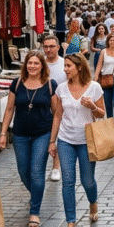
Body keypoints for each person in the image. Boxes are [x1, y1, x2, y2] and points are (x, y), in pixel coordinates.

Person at [0, 51, 59, 227]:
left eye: (36, 63)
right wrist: (3, 133)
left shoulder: (50, 85)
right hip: (20, 134)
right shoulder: (16, 84)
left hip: (42, 133)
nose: (32, 66)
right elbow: (9, 110)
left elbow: (56, 114)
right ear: (25, 65)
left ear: (42, 66)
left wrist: (53, 139)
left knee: (36, 171)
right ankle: (36, 194)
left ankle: (35, 212)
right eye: (29, 63)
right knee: (23, 171)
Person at [50, 53, 104, 227]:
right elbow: (57, 115)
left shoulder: (94, 87)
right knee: (68, 181)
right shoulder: (61, 89)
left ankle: (93, 202)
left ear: (79, 67)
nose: (65, 69)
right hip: (66, 141)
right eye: (64, 66)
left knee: (88, 180)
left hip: (87, 140)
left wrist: (92, 106)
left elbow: (101, 114)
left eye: (68, 66)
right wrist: (52, 141)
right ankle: (71, 221)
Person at [42, 35, 67, 183]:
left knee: (56, 136)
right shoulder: (39, 64)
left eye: (52, 46)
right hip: (42, 105)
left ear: (58, 47)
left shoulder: (64, 64)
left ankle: (56, 167)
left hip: (61, 105)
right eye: (46, 47)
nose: (49, 49)